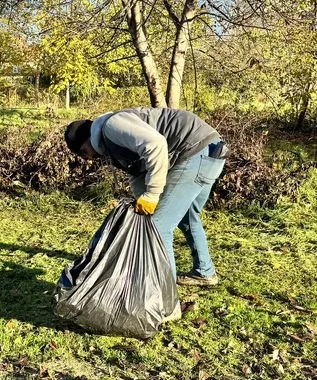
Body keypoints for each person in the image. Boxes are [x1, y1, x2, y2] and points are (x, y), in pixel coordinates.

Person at [64, 107, 228, 287]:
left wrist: (152, 194)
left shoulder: (112, 126)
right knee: (187, 218)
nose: (87, 158)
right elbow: (137, 172)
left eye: (83, 152)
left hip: (194, 152)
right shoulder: (110, 141)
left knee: (157, 229)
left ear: (88, 139)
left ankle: (164, 296)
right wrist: (140, 207)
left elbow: (156, 145)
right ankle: (204, 271)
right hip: (210, 152)